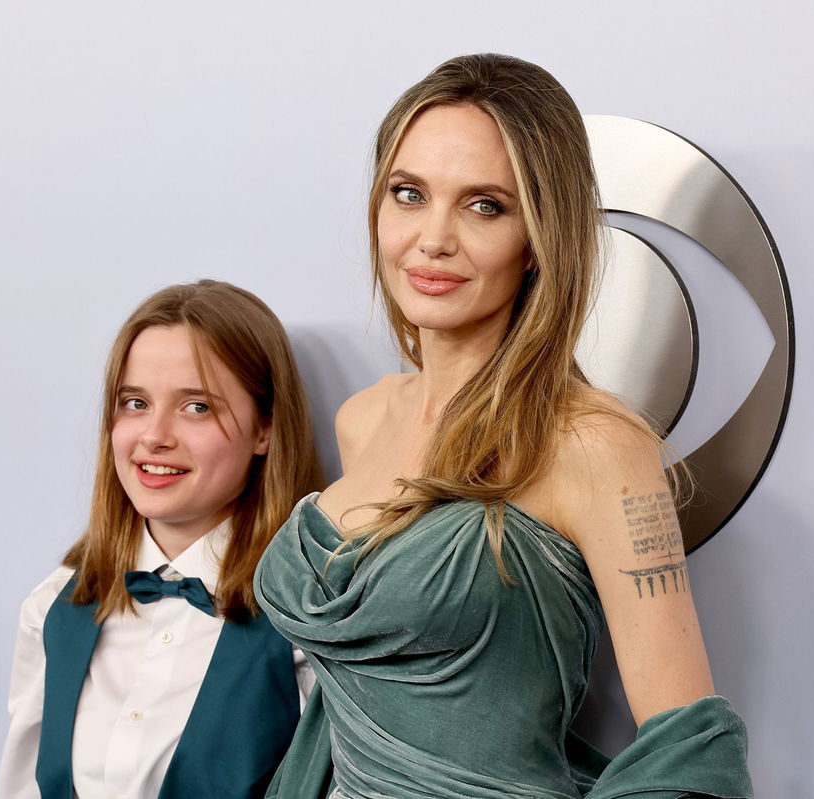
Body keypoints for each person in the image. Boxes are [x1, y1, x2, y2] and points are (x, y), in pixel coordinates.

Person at [255, 54, 752, 798]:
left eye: (484, 205)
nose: (432, 239)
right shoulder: (363, 418)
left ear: (538, 238)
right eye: (408, 193)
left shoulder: (593, 443)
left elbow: (691, 753)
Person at [0, 280, 324, 799]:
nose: (154, 435)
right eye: (135, 403)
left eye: (196, 407)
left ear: (265, 428)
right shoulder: (53, 608)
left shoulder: (311, 623)